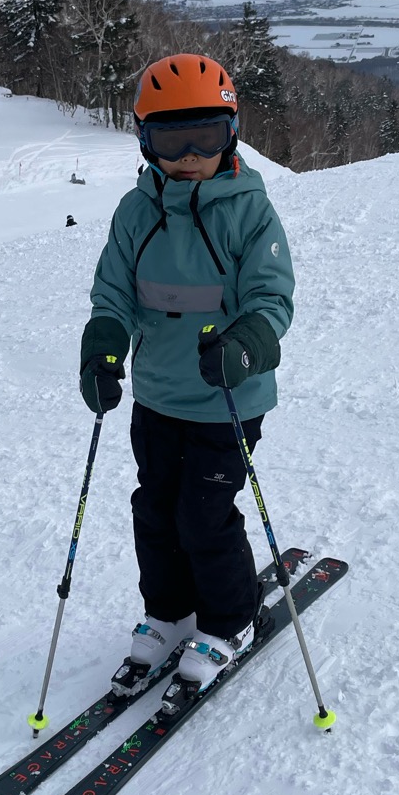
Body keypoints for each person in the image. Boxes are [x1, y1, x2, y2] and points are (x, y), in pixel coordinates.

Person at [79, 53, 294, 695]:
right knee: (156, 509)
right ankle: (170, 614)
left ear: (232, 132)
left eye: (208, 135)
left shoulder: (249, 210)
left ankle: (229, 620)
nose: (192, 154)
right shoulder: (135, 213)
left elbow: (271, 300)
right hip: (159, 398)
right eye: (174, 139)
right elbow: (113, 295)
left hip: (228, 398)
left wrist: (244, 345)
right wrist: (103, 351)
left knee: (204, 513)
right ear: (146, 140)